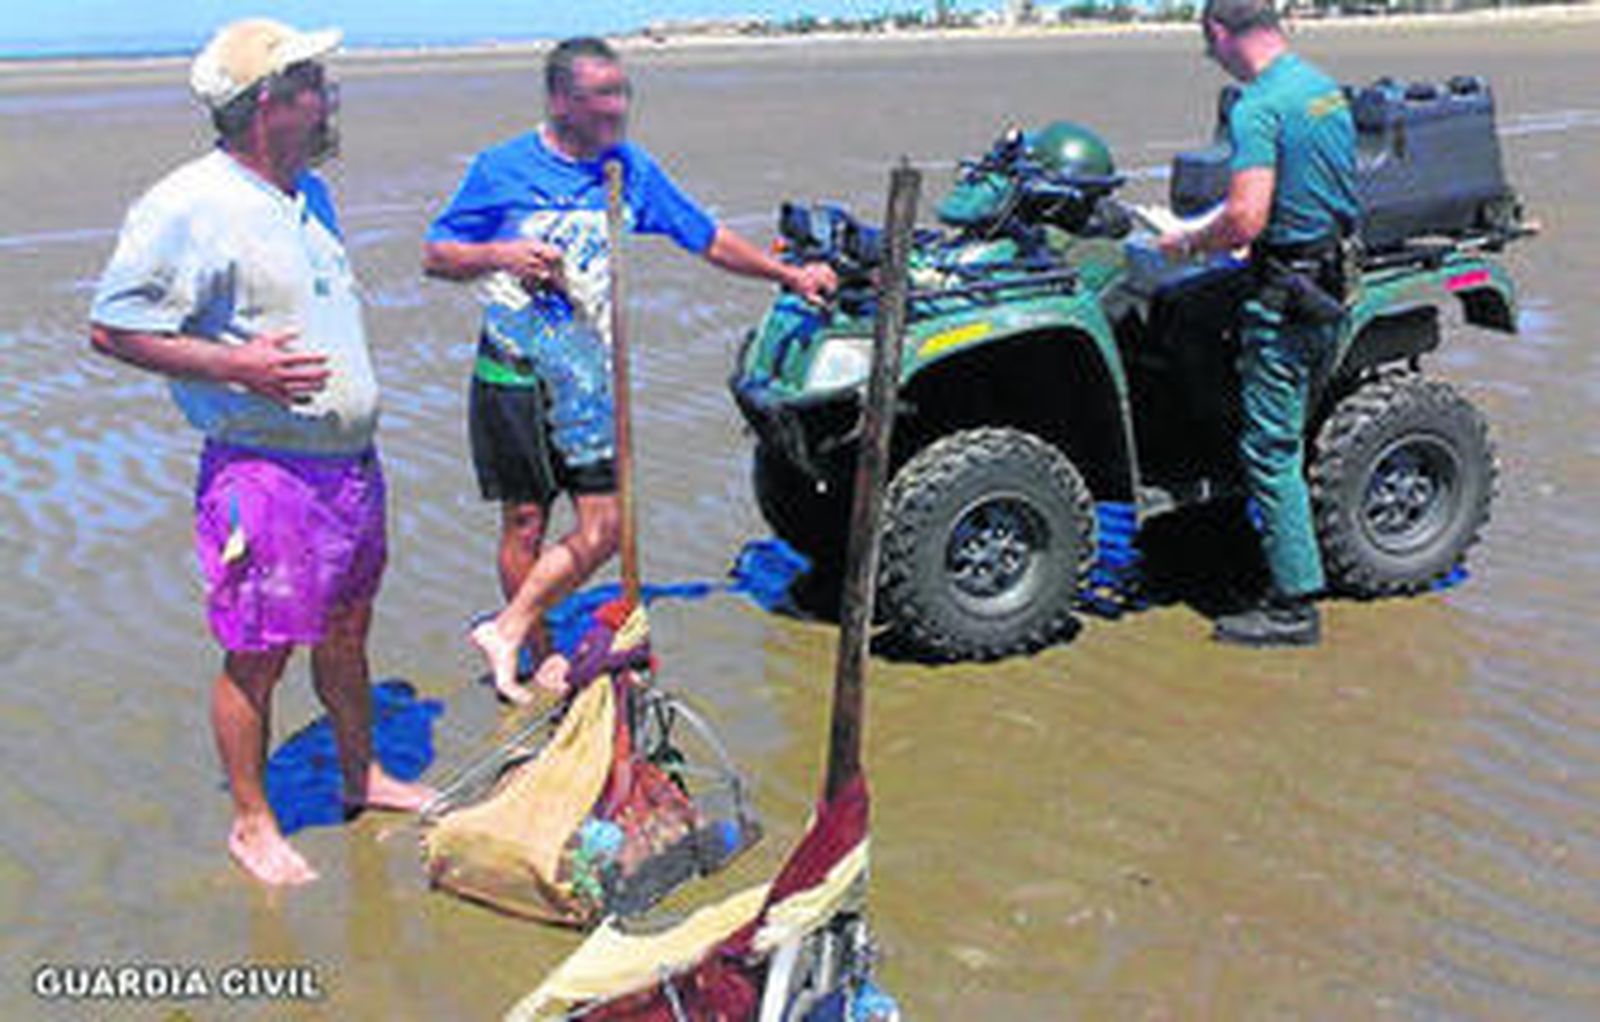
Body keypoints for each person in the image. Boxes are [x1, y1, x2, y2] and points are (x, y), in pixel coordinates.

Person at [88, 18, 433, 886]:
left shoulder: (310, 191)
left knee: (348, 634)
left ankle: (364, 776)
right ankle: (251, 823)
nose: (330, 96)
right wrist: (232, 364)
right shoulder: (187, 204)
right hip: (263, 470)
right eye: (314, 81)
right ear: (270, 103)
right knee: (259, 649)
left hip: (350, 466)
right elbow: (113, 326)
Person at [424, 36, 837, 702]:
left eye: (624, 93)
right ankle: (534, 653)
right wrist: (501, 254)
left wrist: (787, 274)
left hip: (589, 378)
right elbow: (438, 253)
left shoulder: (628, 169)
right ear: (561, 99)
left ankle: (507, 624)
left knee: (607, 529)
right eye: (603, 96)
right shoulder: (501, 169)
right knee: (525, 521)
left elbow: (704, 236)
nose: (618, 108)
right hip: (514, 371)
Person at [1159, 0, 1358, 648]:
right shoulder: (1322, 90)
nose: (1210, 56)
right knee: (1190, 315)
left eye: (1207, 44)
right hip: (1330, 275)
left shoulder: (1257, 106)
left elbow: (1244, 217)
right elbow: (1316, 189)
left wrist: (1187, 242)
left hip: (1287, 293)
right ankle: (1218, 476)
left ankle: (1293, 604)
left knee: (1273, 450)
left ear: (1220, 33)